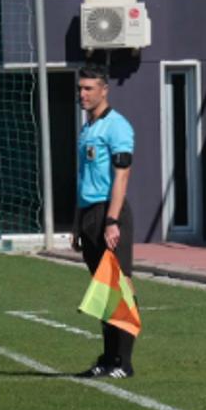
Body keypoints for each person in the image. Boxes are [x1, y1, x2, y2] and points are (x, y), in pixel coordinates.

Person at [72, 64, 137, 378]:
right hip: (88, 215)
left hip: (109, 214)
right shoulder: (87, 128)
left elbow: (122, 177)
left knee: (119, 286)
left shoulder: (117, 126)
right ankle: (108, 357)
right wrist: (77, 224)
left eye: (88, 88)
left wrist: (112, 221)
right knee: (102, 290)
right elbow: (84, 178)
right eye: (80, 88)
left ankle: (123, 362)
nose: (82, 94)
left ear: (104, 90)